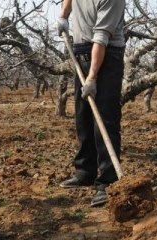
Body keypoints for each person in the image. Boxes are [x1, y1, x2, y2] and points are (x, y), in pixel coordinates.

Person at [54, 0, 126, 207]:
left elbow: (102, 37)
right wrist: (63, 14)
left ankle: (107, 182)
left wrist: (93, 77)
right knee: (83, 116)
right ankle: (85, 172)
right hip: (81, 49)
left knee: (105, 119)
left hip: (108, 54)